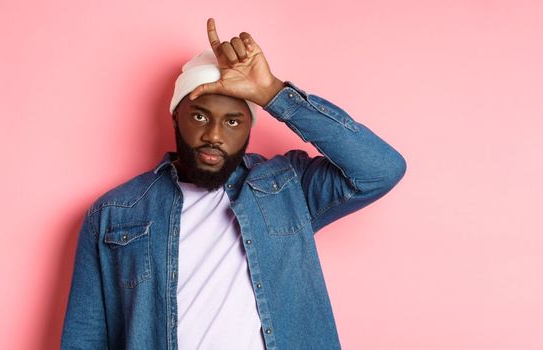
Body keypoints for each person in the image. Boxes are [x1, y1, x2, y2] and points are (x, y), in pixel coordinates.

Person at [62, 18, 407, 349]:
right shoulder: (114, 214)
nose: (214, 135)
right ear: (175, 117)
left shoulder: (286, 188)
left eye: (233, 121)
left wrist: (272, 93)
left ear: (249, 127)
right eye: (199, 116)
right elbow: (85, 338)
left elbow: (380, 169)